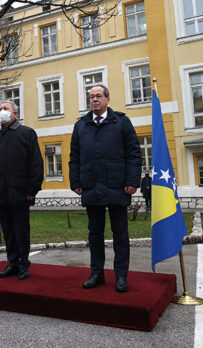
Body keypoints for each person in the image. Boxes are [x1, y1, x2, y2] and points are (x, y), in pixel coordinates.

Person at [69, 85, 141, 293]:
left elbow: (134, 153)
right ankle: (97, 273)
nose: (94, 100)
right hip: (92, 187)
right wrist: (76, 182)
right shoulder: (81, 126)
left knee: (120, 234)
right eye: (91, 97)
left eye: (98, 96)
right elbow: (74, 157)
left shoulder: (121, 122)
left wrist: (132, 181)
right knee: (95, 234)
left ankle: (120, 276)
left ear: (108, 99)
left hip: (118, 187)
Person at [0, 100, 44, 280]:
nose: (2, 111)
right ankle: (11, 262)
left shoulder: (26, 133)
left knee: (21, 230)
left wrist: (32, 190)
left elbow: (36, 165)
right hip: (2, 193)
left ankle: (23, 264)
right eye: (1, 108)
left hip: (21, 192)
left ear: (15, 114)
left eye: (6, 109)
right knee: (8, 230)